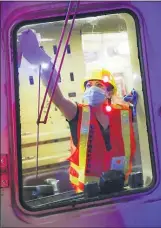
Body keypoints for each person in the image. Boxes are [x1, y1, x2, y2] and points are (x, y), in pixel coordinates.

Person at [18, 29, 136, 193]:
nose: (92, 89)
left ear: (109, 92)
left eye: (98, 85)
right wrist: (41, 60)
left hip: (122, 189)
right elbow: (57, 97)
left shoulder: (124, 114)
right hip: (86, 194)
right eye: (89, 85)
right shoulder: (78, 113)